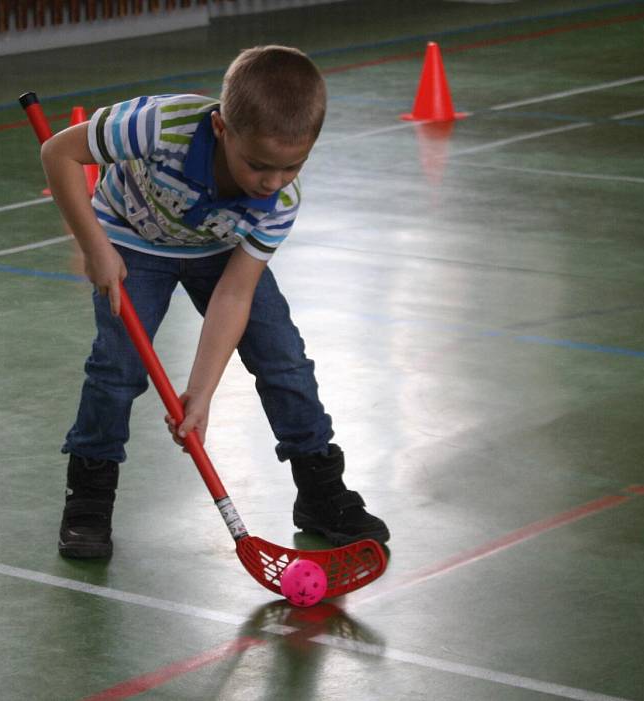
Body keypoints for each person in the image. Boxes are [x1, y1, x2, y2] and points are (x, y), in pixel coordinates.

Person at [41, 45, 390, 559]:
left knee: (283, 358)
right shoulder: (159, 125)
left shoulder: (280, 202)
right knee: (118, 368)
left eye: (292, 166)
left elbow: (234, 293)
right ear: (223, 129)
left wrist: (200, 395)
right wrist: (95, 247)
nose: (272, 181)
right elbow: (57, 153)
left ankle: (319, 489)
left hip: (219, 252)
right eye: (258, 165)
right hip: (129, 241)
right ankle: (90, 493)